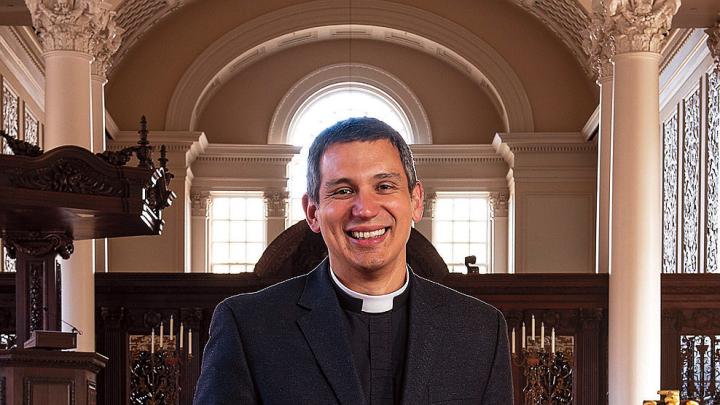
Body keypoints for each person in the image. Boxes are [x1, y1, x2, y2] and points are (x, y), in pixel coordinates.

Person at [194, 117, 513, 404]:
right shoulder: (248, 326)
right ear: (312, 212)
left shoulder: (480, 329)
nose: (365, 209)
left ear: (416, 201)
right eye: (343, 191)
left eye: (384, 186)